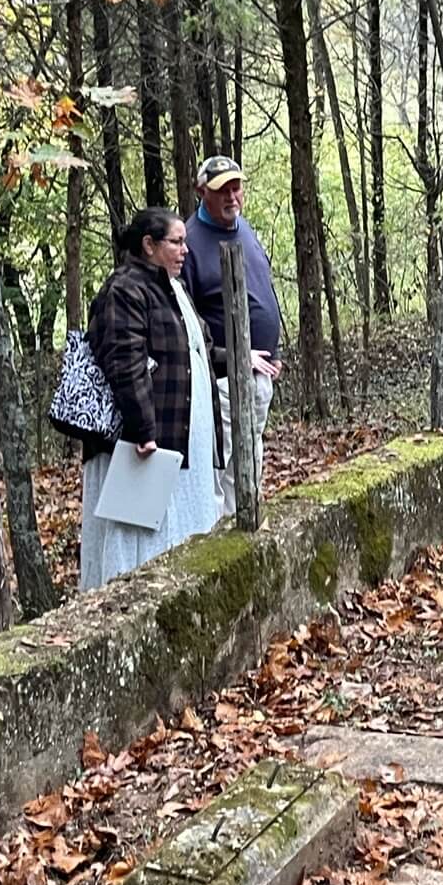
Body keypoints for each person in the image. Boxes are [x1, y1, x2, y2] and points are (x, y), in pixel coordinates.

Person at [79, 207, 223, 591]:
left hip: (179, 438)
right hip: (145, 444)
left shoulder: (174, 289)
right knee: (135, 538)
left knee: (180, 530)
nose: (185, 251)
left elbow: (197, 351)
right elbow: (124, 361)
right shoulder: (125, 289)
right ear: (149, 245)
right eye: (176, 242)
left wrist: (243, 359)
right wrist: (144, 429)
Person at [181, 155, 282, 516]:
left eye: (236, 188)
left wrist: (273, 352)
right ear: (202, 192)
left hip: (258, 373)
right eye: (222, 189)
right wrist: (234, 355)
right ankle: (221, 536)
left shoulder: (244, 229)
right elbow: (187, 326)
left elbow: (262, 289)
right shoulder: (189, 243)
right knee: (221, 468)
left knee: (249, 459)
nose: (231, 196)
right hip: (222, 381)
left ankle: (248, 524)